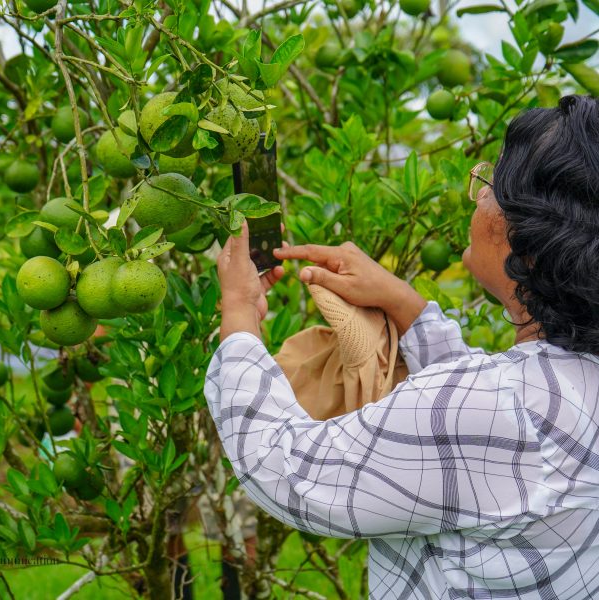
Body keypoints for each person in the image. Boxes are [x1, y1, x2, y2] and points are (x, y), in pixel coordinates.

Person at [204, 94, 599, 599]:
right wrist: (405, 304)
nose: (476, 197)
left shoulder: (497, 411)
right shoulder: (567, 384)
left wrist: (239, 311)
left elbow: (285, 468)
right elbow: (482, 440)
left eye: (490, 184)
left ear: (528, 234)